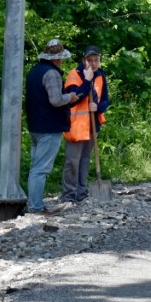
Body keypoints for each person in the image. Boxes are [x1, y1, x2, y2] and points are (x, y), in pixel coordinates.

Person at [26, 39, 92, 214]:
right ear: (57, 58)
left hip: (34, 125)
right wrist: (70, 97)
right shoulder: (52, 74)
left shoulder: (34, 72)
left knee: (35, 167)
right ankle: (36, 206)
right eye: (61, 58)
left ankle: (34, 204)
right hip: (49, 126)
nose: (62, 61)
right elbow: (55, 100)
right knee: (41, 169)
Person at [61, 45, 110, 204]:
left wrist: (98, 107)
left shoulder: (101, 76)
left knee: (84, 160)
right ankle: (69, 195)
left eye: (96, 60)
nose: (93, 64)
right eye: (90, 60)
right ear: (84, 60)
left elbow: (105, 100)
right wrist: (87, 80)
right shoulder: (74, 76)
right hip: (75, 126)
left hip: (92, 125)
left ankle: (81, 192)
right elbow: (75, 98)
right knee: (72, 162)